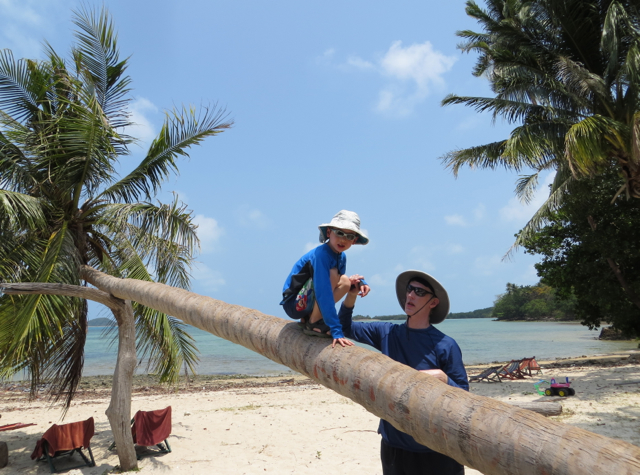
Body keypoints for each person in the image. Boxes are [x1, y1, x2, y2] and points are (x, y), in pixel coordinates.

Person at [339, 269, 468, 475]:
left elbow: (463, 396)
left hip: (437, 449)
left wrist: (444, 379)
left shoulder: (446, 345)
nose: (411, 295)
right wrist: (351, 294)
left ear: (433, 303)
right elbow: (344, 327)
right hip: (394, 445)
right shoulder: (387, 332)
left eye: (419, 292)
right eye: (410, 290)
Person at [280, 210, 370, 348]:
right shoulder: (321, 255)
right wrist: (336, 330)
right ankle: (314, 322)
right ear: (329, 233)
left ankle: (311, 318)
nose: (343, 239)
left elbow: (337, 284)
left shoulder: (341, 256)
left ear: (354, 240)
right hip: (293, 303)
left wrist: (358, 282)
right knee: (334, 274)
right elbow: (324, 292)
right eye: (339, 233)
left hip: (307, 301)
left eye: (349, 236)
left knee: (345, 281)